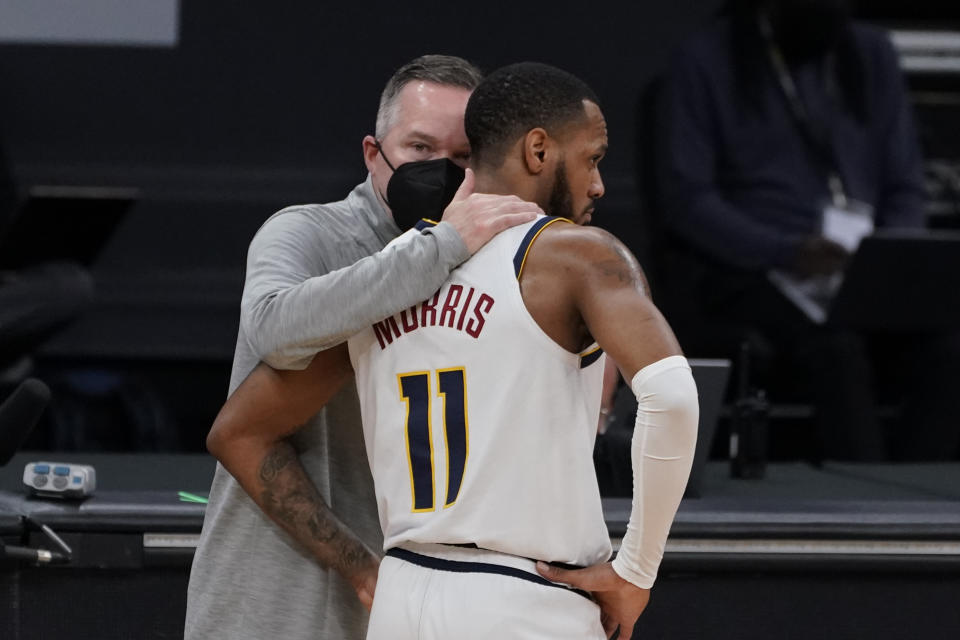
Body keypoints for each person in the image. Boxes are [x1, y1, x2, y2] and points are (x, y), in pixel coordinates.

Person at [207, 62, 699, 640]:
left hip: (403, 594)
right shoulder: (576, 256)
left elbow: (235, 431)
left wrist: (360, 567)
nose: (598, 185)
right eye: (593, 158)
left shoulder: (386, 277)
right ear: (537, 150)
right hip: (523, 596)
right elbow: (672, 400)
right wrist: (635, 572)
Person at [184, 55, 543, 640]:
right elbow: (272, 330)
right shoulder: (309, 232)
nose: (440, 171)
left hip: (426, 592)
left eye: (461, 157)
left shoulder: (497, 256)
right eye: (420, 149)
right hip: (280, 595)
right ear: (374, 154)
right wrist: (440, 246)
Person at [657, 0, 960, 460]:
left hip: (862, 265)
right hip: (760, 268)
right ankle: (863, 510)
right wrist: (785, 250)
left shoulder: (870, 52)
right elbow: (688, 199)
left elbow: (905, 184)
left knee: (948, 350)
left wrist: (890, 253)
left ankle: (918, 492)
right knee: (836, 351)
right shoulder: (707, 59)